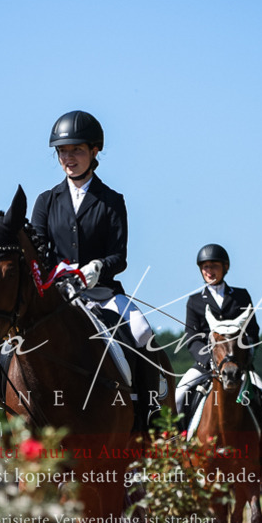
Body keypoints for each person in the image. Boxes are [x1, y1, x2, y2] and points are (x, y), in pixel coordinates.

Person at [31, 109, 165, 428]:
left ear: (94, 151)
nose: (68, 158)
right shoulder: (46, 201)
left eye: (76, 150)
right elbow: (38, 252)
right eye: (63, 151)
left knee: (142, 332)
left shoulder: (111, 201)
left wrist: (97, 268)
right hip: (58, 296)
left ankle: (148, 418)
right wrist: (53, 275)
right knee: (12, 341)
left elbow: (120, 257)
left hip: (103, 292)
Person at [176, 243, 262, 489]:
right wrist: (210, 361)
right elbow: (191, 338)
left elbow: (252, 332)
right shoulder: (194, 301)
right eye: (205, 267)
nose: (209, 271)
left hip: (239, 366)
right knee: (178, 397)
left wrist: (243, 357)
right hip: (206, 366)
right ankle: (178, 459)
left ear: (225, 268)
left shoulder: (241, 296)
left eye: (213, 266)